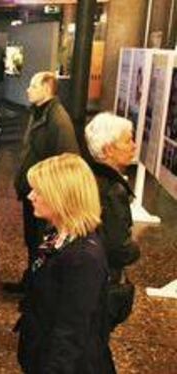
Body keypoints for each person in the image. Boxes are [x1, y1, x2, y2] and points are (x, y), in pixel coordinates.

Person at [16, 153, 115, 374]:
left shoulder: (83, 259)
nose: (31, 196)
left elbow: (71, 331)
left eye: (39, 191)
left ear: (62, 197)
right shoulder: (58, 235)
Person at [5, 71, 80, 294]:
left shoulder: (57, 119)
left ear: (47, 89)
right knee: (32, 239)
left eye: (33, 86)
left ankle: (37, 288)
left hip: (45, 196)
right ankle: (31, 281)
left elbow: (68, 161)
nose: (28, 89)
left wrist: (51, 193)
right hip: (34, 192)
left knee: (40, 241)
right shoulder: (40, 113)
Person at [85, 113, 141, 329]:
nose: (134, 146)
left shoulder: (89, 177)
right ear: (108, 149)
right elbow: (118, 248)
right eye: (127, 140)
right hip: (102, 283)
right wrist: (135, 250)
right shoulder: (112, 190)